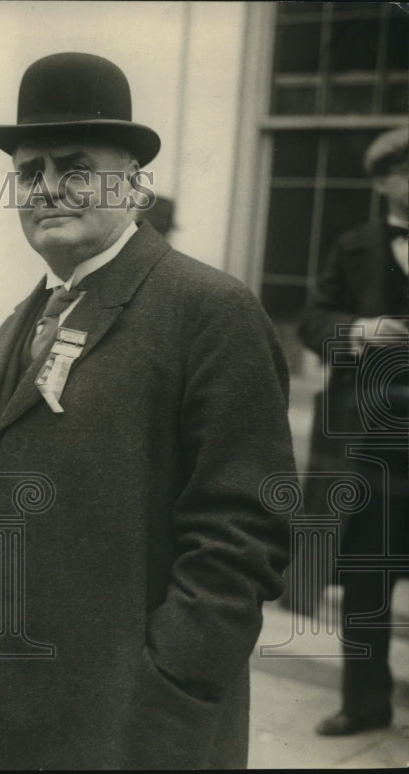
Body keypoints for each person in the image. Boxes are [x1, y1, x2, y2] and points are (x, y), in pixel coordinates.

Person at [0, 52, 295, 770]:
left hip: (122, 726)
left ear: (133, 181)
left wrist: (172, 681)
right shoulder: (30, 315)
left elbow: (245, 533)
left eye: (73, 167)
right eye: (29, 172)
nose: (48, 189)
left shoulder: (209, 311)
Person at [299, 126, 408, 737]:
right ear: (382, 181)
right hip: (369, 452)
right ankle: (366, 706)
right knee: (366, 586)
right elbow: (312, 321)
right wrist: (362, 331)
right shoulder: (353, 247)